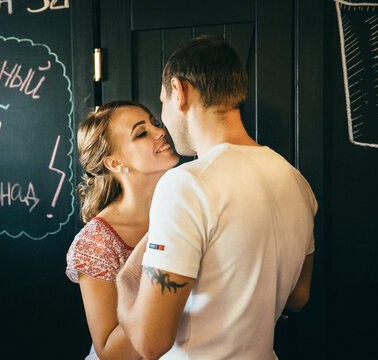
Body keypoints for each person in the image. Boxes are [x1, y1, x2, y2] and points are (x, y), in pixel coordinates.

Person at [116, 36, 317, 360]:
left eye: (162, 103)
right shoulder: (296, 181)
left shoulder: (185, 184)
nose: (163, 121)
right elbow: (299, 297)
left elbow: (150, 342)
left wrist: (126, 279)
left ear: (179, 91)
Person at [65, 100, 179, 360]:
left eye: (155, 123)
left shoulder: (187, 207)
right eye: (141, 133)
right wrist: (163, 293)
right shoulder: (96, 242)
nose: (160, 131)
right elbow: (110, 354)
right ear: (115, 163)